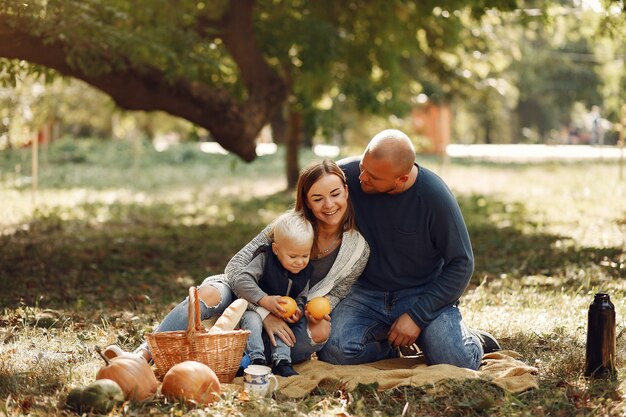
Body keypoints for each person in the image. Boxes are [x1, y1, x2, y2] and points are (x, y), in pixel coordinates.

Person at [106, 159, 369, 366]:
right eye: (317, 198)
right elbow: (236, 267)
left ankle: (222, 357)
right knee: (207, 294)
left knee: (321, 331)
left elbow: (337, 292)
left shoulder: (357, 249)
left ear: (346, 191)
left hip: (291, 312)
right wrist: (264, 311)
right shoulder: (287, 227)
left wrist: (315, 309)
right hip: (244, 293)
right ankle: (143, 355)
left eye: (335, 194)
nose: (329, 205)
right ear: (307, 203)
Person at [317, 129, 500, 370]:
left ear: (400, 179)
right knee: (333, 350)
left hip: (422, 292)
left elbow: (462, 263)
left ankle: (472, 339)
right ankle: (390, 344)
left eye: (373, 176)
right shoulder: (348, 176)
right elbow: (309, 193)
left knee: (456, 361)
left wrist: (417, 317)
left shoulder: (435, 196)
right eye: (362, 166)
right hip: (366, 292)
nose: (361, 178)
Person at [234, 210, 317, 377]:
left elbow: (301, 295)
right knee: (252, 320)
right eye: (293, 256)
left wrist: (298, 310)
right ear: (276, 249)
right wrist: (264, 300)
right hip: (254, 310)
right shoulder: (265, 259)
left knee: (284, 327)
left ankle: (282, 361)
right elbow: (241, 281)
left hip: (280, 314)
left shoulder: (305, 270)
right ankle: (256, 360)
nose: (299, 261)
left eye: (305, 255)